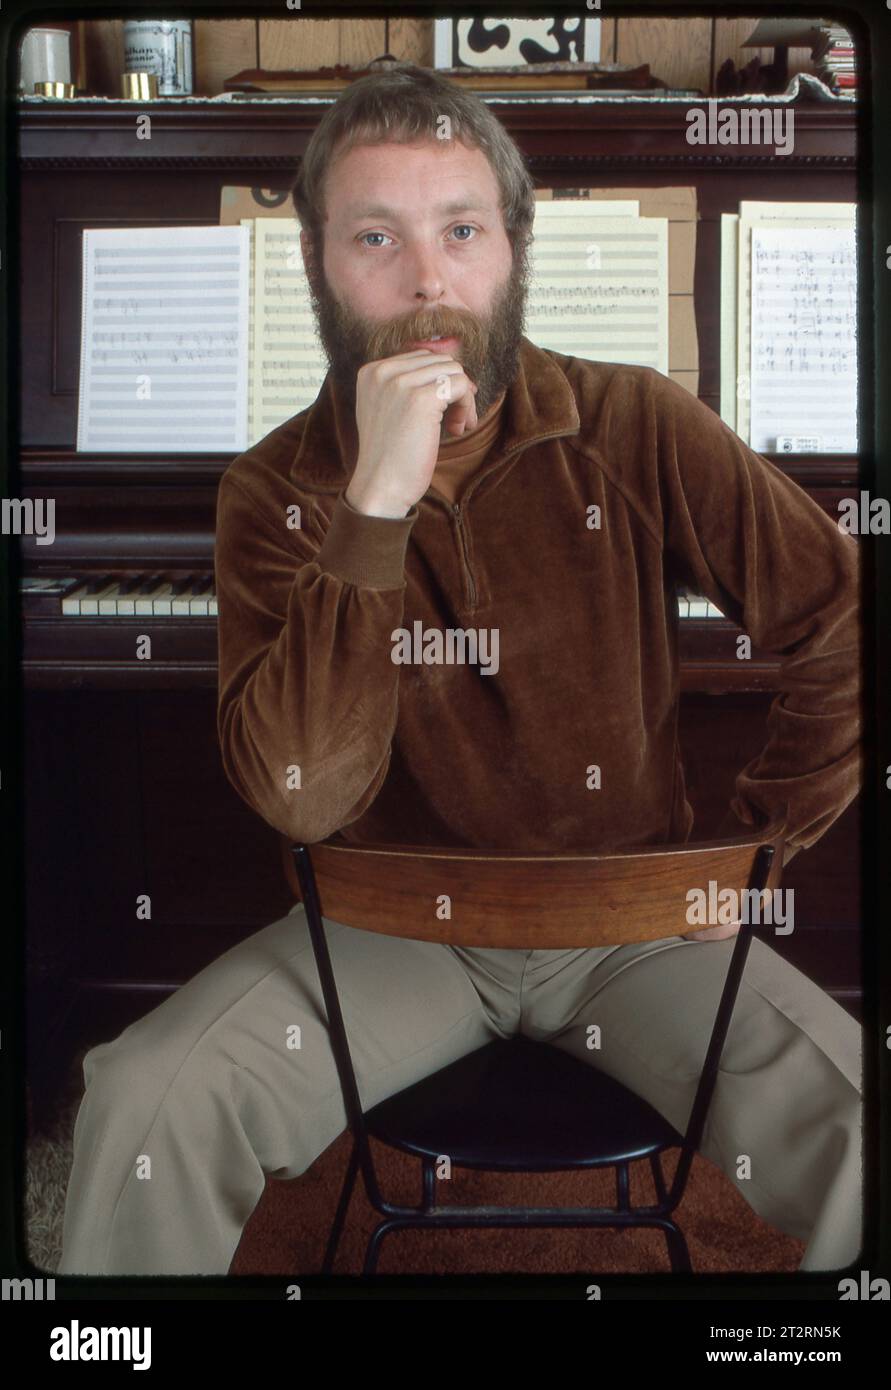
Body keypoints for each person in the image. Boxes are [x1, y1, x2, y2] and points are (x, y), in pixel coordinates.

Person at [58, 63, 863, 1277]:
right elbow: (299, 792)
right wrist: (372, 502)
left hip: (633, 923)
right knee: (141, 1104)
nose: (428, 279)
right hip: (384, 927)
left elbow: (848, 619)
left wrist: (753, 859)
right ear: (320, 264)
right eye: (376, 236)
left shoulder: (638, 421)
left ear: (513, 247)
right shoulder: (271, 490)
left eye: (462, 230)